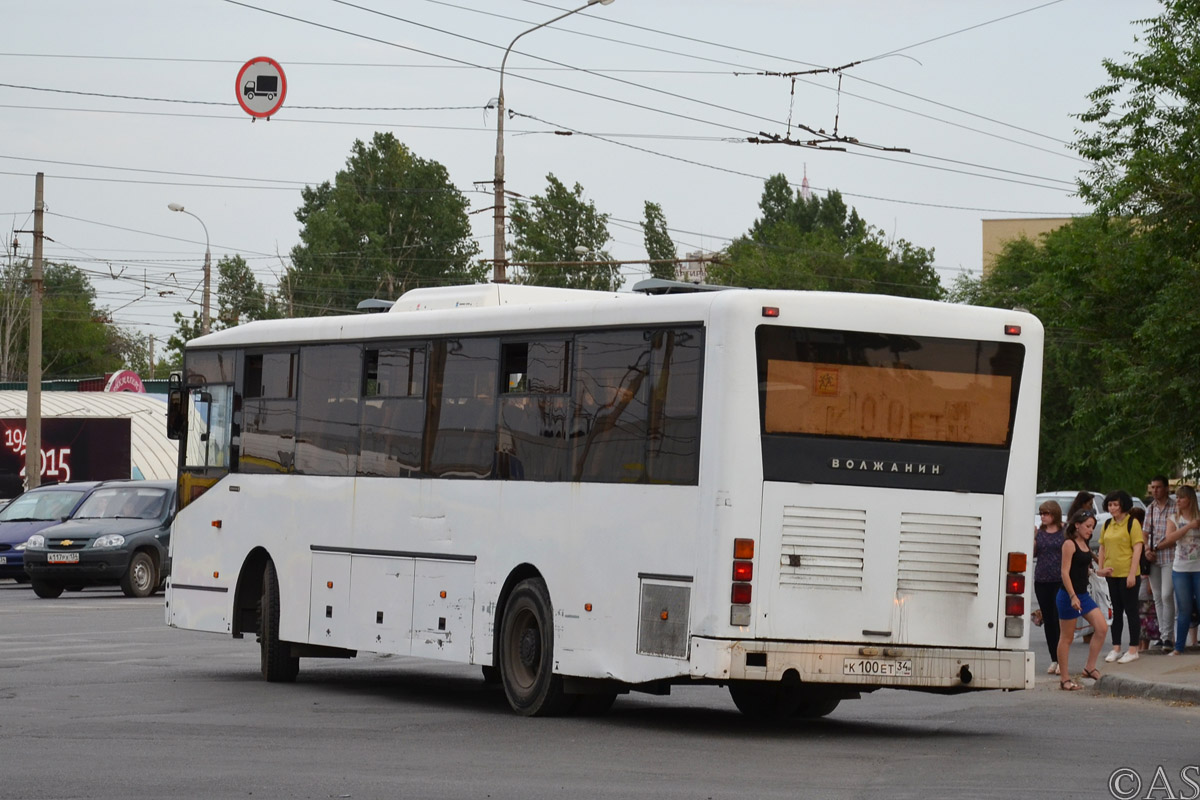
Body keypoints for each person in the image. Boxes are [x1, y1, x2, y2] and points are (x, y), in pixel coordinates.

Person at [1057, 509, 1110, 689]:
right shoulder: (1069, 544)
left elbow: (1081, 570)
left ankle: (1090, 667)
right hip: (1068, 595)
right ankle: (1065, 679)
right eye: (1087, 526)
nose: (1090, 530)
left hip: (1083, 595)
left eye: (1092, 527)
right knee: (1067, 637)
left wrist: (1097, 572)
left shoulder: (1085, 544)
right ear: (1077, 525)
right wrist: (1072, 596)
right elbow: (1065, 572)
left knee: (1102, 628)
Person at [1099, 489, 1145, 663]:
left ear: (1123, 505)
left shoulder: (1132, 523)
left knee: (1131, 611)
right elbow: (1102, 547)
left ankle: (1133, 648)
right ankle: (1116, 647)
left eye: (1116, 504)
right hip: (1111, 575)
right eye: (1110, 504)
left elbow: (1138, 548)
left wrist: (1132, 573)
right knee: (1115, 612)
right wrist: (1101, 569)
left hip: (1127, 573)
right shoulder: (1107, 524)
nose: (1112, 508)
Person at [1160, 484, 1200, 656]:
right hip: (1180, 568)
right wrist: (1189, 526)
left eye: (1181, 497)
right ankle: (1179, 647)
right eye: (1177, 497)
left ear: (1189, 500)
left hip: (1198, 568)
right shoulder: (1173, 519)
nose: (1178, 500)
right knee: (1183, 609)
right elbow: (1169, 538)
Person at [1142, 475, 1177, 651]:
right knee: (1157, 597)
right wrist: (1147, 550)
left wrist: (1154, 547)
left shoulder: (1175, 507)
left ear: (1166, 488)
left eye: (1158, 487)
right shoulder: (1151, 508)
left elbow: (1175, 535)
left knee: (1166, 595)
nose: (1155, 490)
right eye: (1153, 487)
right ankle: (1164, 637)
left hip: (1170, 556)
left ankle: (1169, 636)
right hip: (1154, 558)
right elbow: (1145, 532)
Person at [1033, 500, 1065, 674]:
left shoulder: (1064, 532)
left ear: (1054, 514)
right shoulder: (1040, 533)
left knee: (1058, 617)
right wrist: (1032, 538)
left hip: (1059, 579)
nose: (1043, 517)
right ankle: (1054, 658)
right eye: (1041, 514)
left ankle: (1062, 659)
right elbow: (1034, 552)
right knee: (1049, 621)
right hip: (1042, 579)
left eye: (1046, 513)